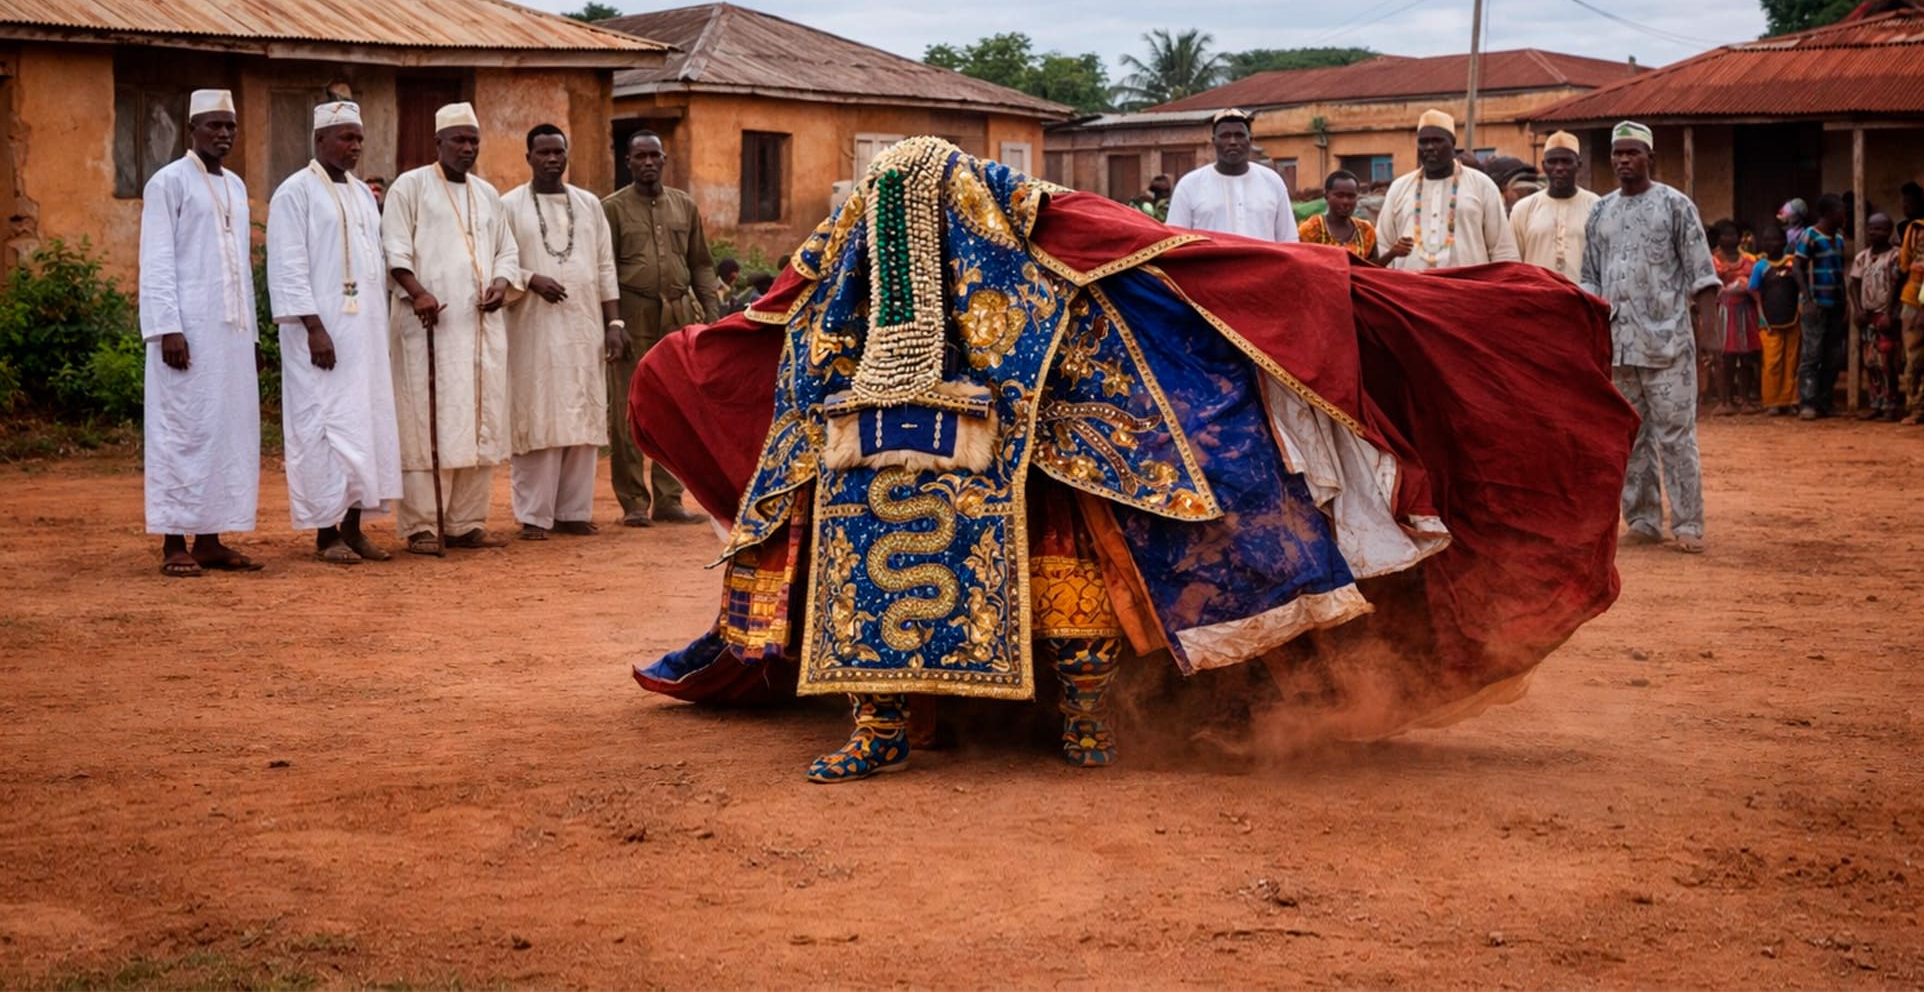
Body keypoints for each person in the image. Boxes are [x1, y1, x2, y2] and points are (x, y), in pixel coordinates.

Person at [630, 136, 1635, 782]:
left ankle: (960, 723)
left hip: (982, 417)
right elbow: (1137, 240)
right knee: (1063, 551)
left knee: (1039, 549)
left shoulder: (908, 221)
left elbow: (787, 299)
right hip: (966, 415)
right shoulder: (1004, 209)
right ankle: (1062, 725)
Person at [266, 101, 402, 562]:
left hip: (364, 334)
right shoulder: (294, 192)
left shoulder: (363, 194)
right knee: (322, 428)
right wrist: (313, 327)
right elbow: (288, 265)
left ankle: (354, 527)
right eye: (346, 137)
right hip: (319, 335)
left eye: (359, 138)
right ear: (320, 139)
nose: (355, 146)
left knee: (365, 425)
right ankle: (326, 533)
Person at [382, 102, 521, 553]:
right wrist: (417, 292)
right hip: (431, 325)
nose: (467, 148)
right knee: (429, 421)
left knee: (479, 419)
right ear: (437, 142)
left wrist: (501, 283)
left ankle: (465, 522)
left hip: (481, 328)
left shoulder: (488, 193)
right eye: (459, 140)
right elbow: (394, 249)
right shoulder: (410, 187)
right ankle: (423, 525)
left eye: (473, 141)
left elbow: (507, 251)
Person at [138, 88, 263, 576]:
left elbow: (240, 268)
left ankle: (210, 540)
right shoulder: (168, 182)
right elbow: (156, 260)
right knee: (181, 431)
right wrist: (167, 328)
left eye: (230, 126)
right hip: (186, 332)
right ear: (192, 129)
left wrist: (253, 338)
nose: (224, 134)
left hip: (231, 335)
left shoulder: (235, 186)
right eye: (214, 125)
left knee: (224, 432)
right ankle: (174, 541)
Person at [1580, 121, 1718, 554]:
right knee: (1629, 437)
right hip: (1617, 348)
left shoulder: (1675, 206)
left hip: (1668, 344)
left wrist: (1711, 339)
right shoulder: (1600, 212)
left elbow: (1703, 276)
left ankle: (1688, 523)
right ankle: (1642, 519)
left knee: (1676, 436)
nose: (1623, 160)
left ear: (1650, 157)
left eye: (1632, 152)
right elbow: (1589, 279)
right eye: (1617, 153)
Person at [501, 125, 630, 540]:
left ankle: (573, 511)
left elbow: (605, 266)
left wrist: (614, 324)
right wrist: (530, 278)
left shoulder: (589, 204)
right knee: (538, 414)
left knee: (582, 413)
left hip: (584, 327)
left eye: (558, 151)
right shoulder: (508, 206)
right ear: (528, 157)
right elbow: (497, 262)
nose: (552, 159)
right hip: (532, 329)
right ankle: (534, 515)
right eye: (543, 152)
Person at [603, 130, 718, 526]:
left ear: (664, 159)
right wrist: (613, 323)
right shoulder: (612, 209)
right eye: (640, 157)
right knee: (628, 408)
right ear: (628, 162)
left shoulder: (684, 205)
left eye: (654, 156)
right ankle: (634, 502)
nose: (648, 163)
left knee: (676, 408)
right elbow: (604, 270)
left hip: (678, 316)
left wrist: (712, 316)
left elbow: (701, 264)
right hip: (632, 316)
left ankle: (670, 500)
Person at [1377, 109, 1518, 271]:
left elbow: (1503, 249)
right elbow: (1382, 245)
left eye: (1437, 141)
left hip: (1467, 285)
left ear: (1453, 143)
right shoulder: (1399, 188)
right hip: (1410, 285)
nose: (1429, 147)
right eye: (1423, 142)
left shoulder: (1482, 185)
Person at [1165, 109, 1299, 242]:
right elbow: (1174, 242)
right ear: (1214, 141)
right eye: (1225, 136)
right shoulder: (1189, 185)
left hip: (1263, 258)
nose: (1233, 142)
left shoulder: (1272, 182)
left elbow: (1289, 240)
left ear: (1250, 140)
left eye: (1239, 135)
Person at [1508, 131, 1600, 283]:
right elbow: (1513, 262)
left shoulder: (1596, 206)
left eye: (1566, 161)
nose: (1559, 168)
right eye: (1552, 162)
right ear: (1543, 165)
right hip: (1537, 294)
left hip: (1582, 295)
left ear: (1579, 164)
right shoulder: (1523, 209)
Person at [1793, 193, 1848, 420]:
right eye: (1840, 211)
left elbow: (1840, 272)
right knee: (1812, 354)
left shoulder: (1840, 239)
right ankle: (1807, 402)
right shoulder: (1810, 235)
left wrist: (1845, 302)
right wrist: (1807, 299)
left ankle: (1825, 402)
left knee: (1833, 356)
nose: (1844, 215)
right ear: (1828, 213)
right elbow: (1797, 267)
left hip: (1835, 304)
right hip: (1816, 304)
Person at [1847, 211, 1903, 420]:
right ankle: (1876, 403)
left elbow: (1898, 286)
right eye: (1871, 228)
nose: (1873, 232)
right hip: (1868, 316)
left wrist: (1890, 313)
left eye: (1879, 228)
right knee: (1871, 363)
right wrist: (1858, 310)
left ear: (1888, 231)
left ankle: (1891, 404)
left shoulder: (1896, 256)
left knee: (1888, 362)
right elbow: (1853, 284)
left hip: (1885, 316)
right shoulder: (1862, 257)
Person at [1707, 219, 1762, 416]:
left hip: (1746, 311)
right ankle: (1725, 401)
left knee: (1747, 357)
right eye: (1725, 234)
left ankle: (1745, 399)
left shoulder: (1750, 259)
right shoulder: (1711, 260)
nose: (1730, 238)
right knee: (1724, 358)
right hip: (1722, 311)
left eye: (1733, 234)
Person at [1749, 227, 1802, 415]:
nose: (1772, 244)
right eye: (1767, 240)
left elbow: (1800, 286)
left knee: (1791, 360)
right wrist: (1761, 316)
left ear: (1784, 242)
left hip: (1792, 318)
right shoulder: (1760, 266)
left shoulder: (1792, 263)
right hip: (1769, 320)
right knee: (1771, 362)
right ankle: (1772, 401)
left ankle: (1790, 400)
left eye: (1776, 239)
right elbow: (1754, 291)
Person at [1297, 170, 1377, 260]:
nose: (1345, 201)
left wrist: (1389, 254)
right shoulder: (1311, 229)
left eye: (1351, 196)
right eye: (1339, 196)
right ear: (1326, 196)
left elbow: (1373, 266)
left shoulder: (1366, 231)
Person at [1900, 211, 1924, 425]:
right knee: (1915, 358)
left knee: (1914, 358)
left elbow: (1904, 263)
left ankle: (1916, 407)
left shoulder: (1916, 229)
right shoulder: (1917, 229)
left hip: (1914, 301)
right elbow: (1905, 263)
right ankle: (1916, 407)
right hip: (1916, 301)